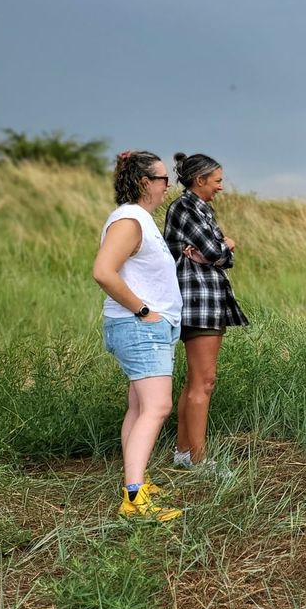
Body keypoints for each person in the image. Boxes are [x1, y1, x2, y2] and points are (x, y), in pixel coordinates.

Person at [92, 151, 183, 521]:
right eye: (163, 179)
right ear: (145, 182)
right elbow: (103, 271)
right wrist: (143, 311)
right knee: (158, 407)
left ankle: (136, 482)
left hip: (144, 328)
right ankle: (134, 500)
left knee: (139, 407)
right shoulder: (130, 219)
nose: (168, 186)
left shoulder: (139, 220)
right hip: (140, 327)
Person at [163, 152, 248, 473]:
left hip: (203, 299)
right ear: (199, 180)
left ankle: (184, 453)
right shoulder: (187, 207)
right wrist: (226, 244)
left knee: (196, 380)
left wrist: (218, 251)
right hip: (199, 301)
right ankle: (199, 460)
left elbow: (214, 255)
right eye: (217, 181)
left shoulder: (196, 208)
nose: (221, 187)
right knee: (205, 380)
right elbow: (216, 251)